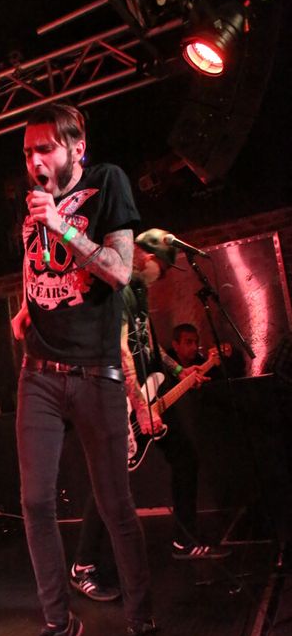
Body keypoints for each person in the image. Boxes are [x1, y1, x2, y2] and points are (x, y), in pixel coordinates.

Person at [11, 102, 160, 636]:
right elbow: (35, 265)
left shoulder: (107, 183)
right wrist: (25, 307)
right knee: (34, 501)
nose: (35, 159)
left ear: (76, 148)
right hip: (38, 374)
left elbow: (120, 272)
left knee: (116, 507)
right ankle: (58, 627)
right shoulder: (31, 205)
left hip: (97, 373)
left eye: (45, 147)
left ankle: (143, 631)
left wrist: (62, 226)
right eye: (28, 150)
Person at [70, 230, 230, 607]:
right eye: (163, 265)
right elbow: (119, 350)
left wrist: (179, 372)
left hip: (147, 392)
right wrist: (138, 406)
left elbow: (149, 346)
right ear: (143, 254)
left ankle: (184, 539)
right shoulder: (118, 289)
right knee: (109, 482)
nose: (165, 274)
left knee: (184, 456)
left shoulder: (139, 292)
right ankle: (82, 565)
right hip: (114, 397)